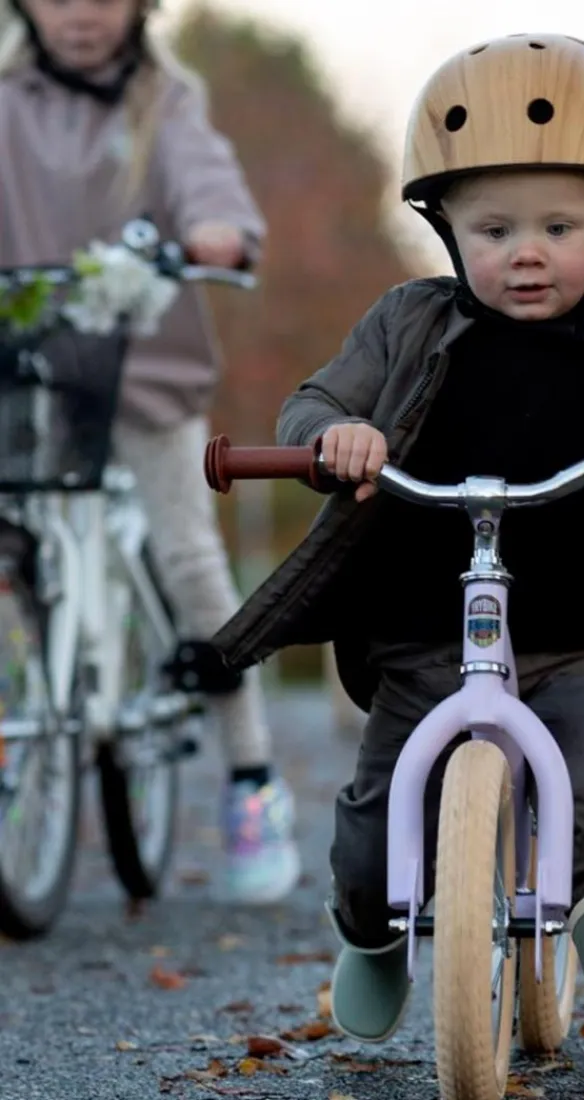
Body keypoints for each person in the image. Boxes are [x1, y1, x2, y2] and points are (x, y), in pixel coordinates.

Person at [213, 33, 584, 1093]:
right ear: (445, 226)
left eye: (557, 225)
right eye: (493, 228)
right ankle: (368, 932)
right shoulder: (406, 322)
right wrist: (333, 438)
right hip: (422, 639)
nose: (526, 252)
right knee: (374, 822)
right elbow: (316, 402)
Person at [0, 0, 300, 905]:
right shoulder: (6, 101)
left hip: (141, 370)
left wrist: (215, 232)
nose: (80, 15)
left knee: (186, 553)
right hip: (25, 369)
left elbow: (205, 183)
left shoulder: (164, 100)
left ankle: (252, 780)